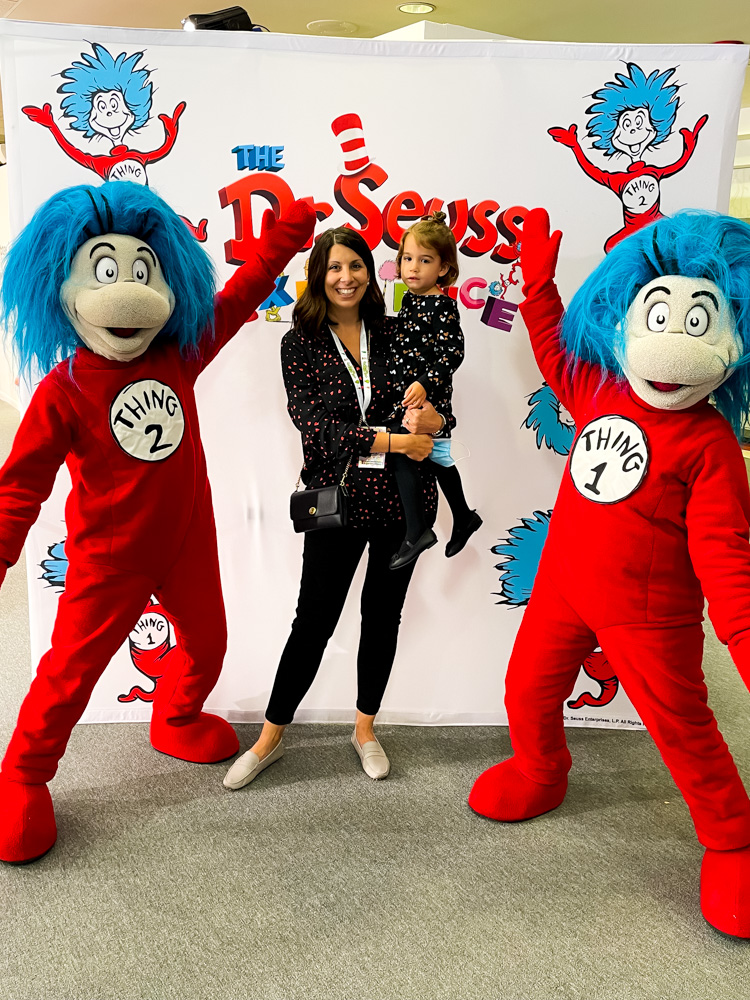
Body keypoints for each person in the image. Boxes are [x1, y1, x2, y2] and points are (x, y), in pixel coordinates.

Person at [223, 227, 446, 789]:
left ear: (372, 272)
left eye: (356, 266)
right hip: (338, 501)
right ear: (317, 275)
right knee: (314, 621)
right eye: (333, 267)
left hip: (405, 502)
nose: (346, 277)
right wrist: (397, 441)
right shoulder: (300, 341)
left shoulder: (395, 330)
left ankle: (365, 729)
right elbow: (317, 429)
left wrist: (434, 423)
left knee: (382, 616)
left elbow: (437, 403)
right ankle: (270, 737)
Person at [388, 213, 482, 570]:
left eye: (424, 261)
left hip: (428, 397)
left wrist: (424, 384)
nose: (413, 268)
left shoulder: (441, 305)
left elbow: (451, 352)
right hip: (411, 395)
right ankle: (463, 516)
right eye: (407, 259)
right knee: (439, 457)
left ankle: (417, 531)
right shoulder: (409, 300)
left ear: (443, 268)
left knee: (403, 453)